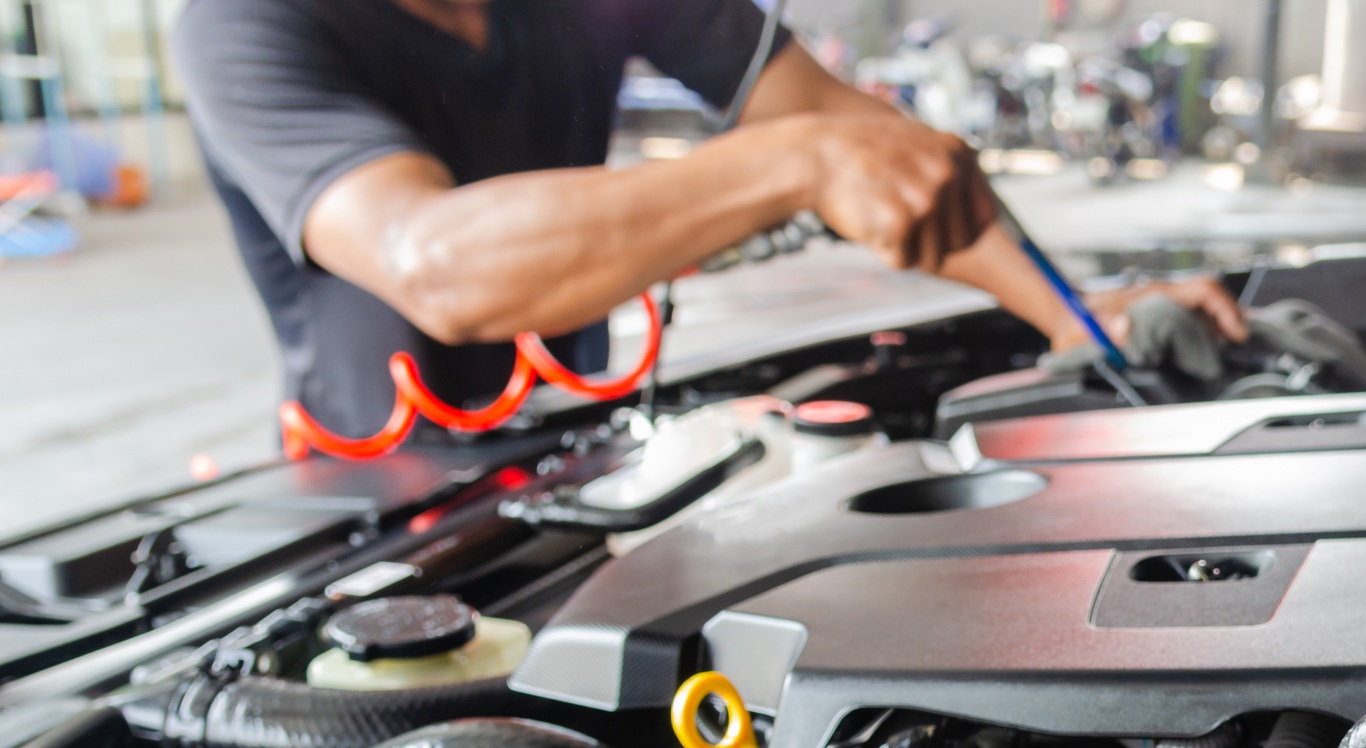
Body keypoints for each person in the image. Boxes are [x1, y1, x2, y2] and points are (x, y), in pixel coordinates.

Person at [171, 0, 1248, 438]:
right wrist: (787, 161)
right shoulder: (244, 24)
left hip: (583, 450)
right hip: (377, 515)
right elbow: (437, 264)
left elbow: (870, 149)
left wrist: (1067, 314)